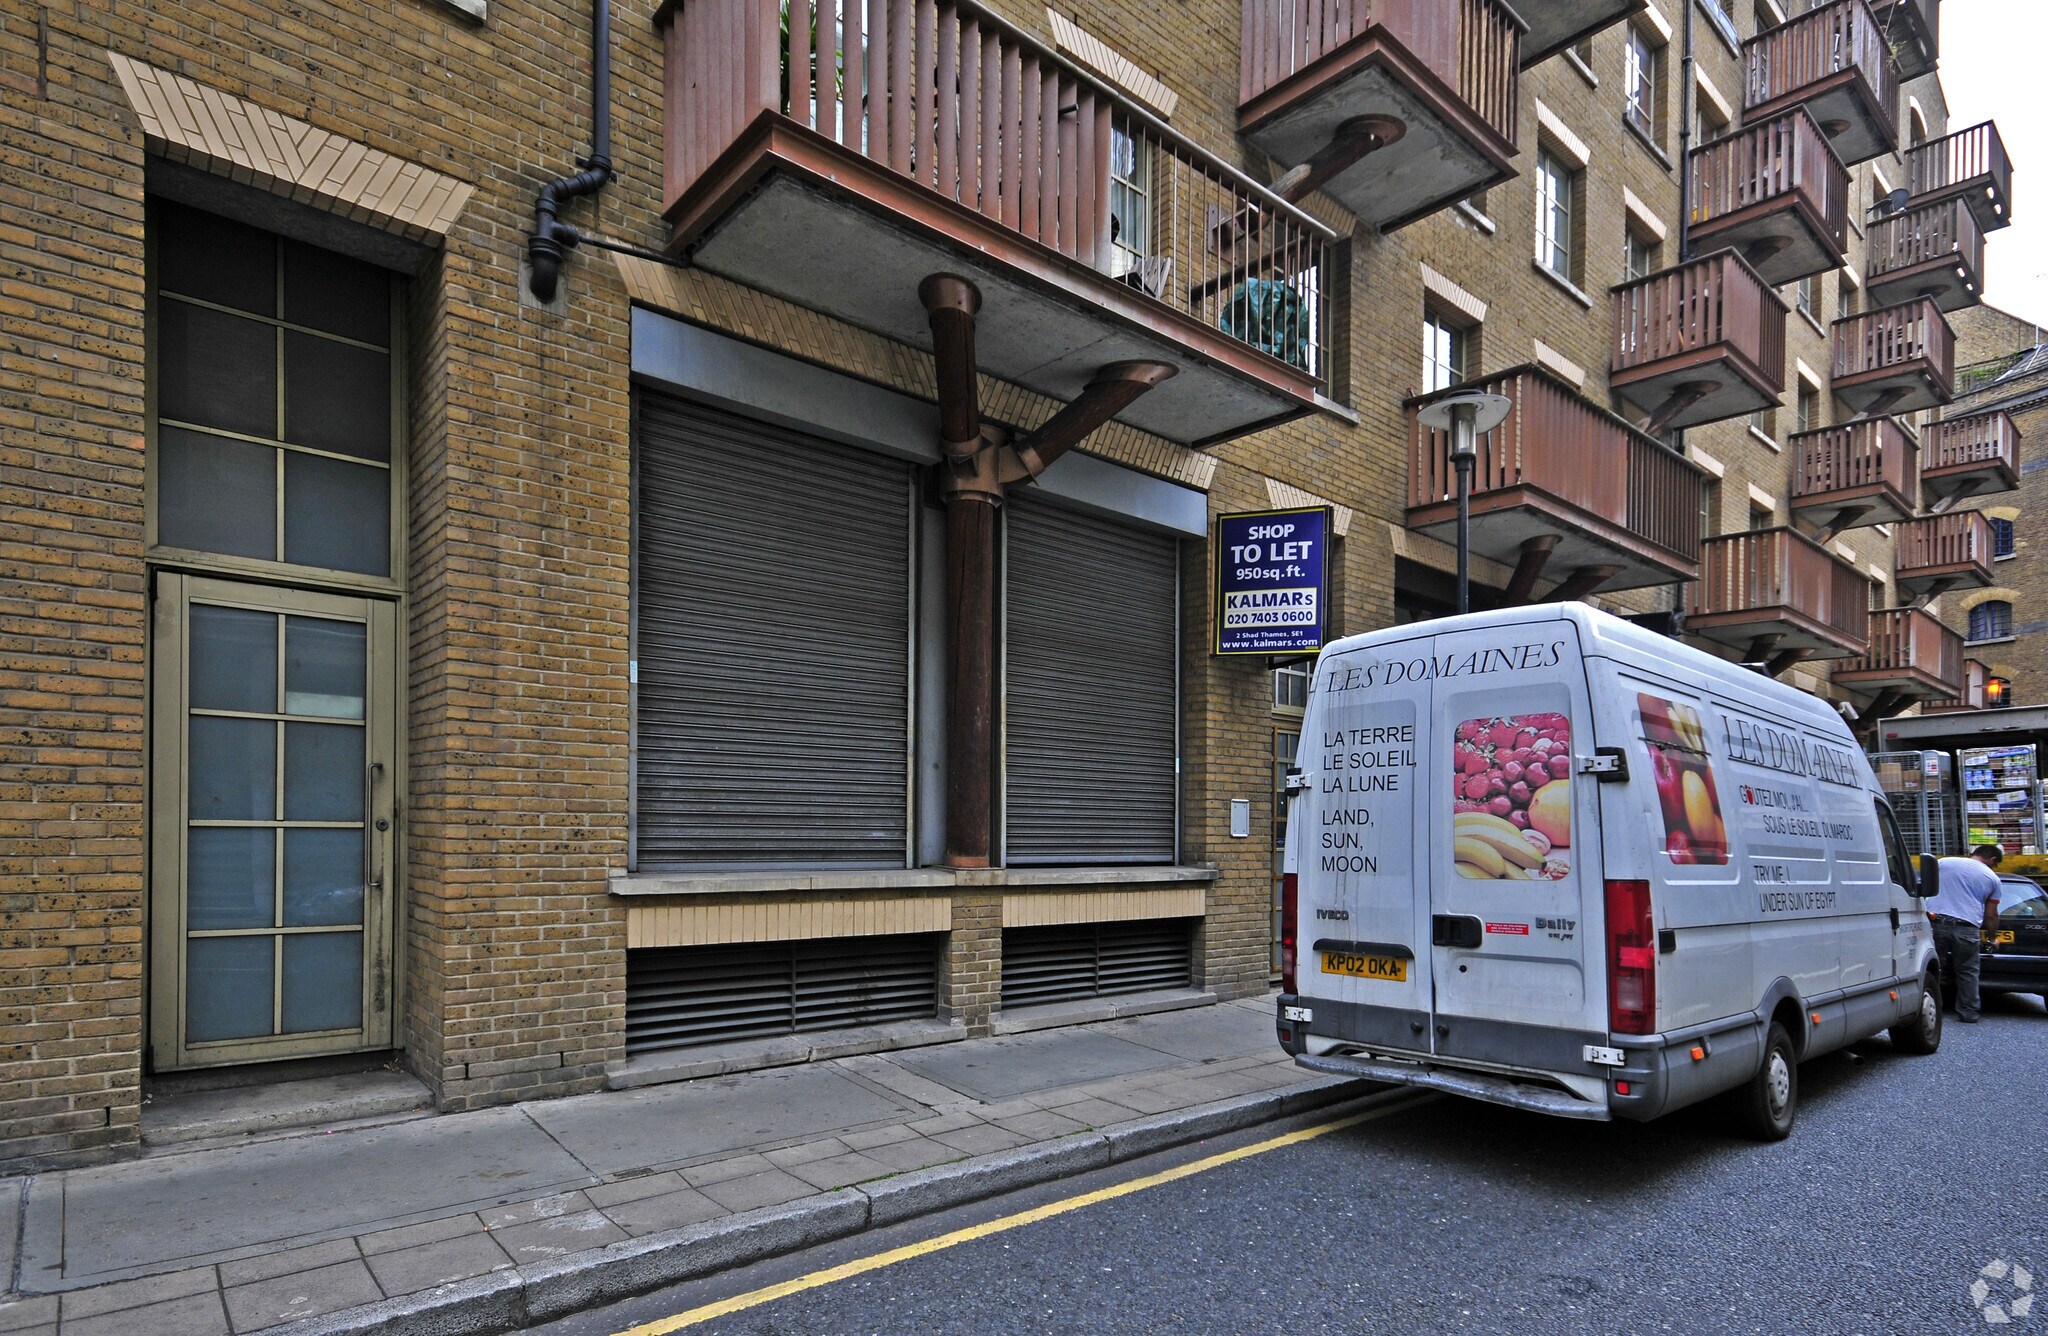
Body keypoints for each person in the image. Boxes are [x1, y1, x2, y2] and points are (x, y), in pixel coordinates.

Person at [1928, 844, 2005, 1024]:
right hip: (1967, 928)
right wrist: (1993, 938)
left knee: (1932, 967)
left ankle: (1931, 1007)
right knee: (1967, 971)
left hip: (1935, 922)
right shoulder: (1992, 878)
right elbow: (1991, 914)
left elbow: (1924, 885)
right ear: (1992, 860)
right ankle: (1968, 1012)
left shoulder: (1944, 863)